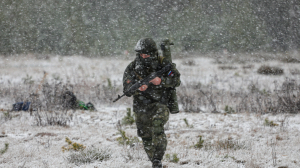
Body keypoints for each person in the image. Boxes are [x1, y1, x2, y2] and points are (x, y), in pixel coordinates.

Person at [122, 38, 181, 168]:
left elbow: (176, 80)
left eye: (146, 54)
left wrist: (161, 81)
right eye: (141, 54)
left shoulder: (163, 64)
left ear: (152, 52)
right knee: (145, 135)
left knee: (157, 126)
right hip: (141, 106)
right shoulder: (132, 67)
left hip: (160, 103)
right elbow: (126, 89)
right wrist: (137, 88)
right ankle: (154, 161)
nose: (143, 57)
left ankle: (157, 158)